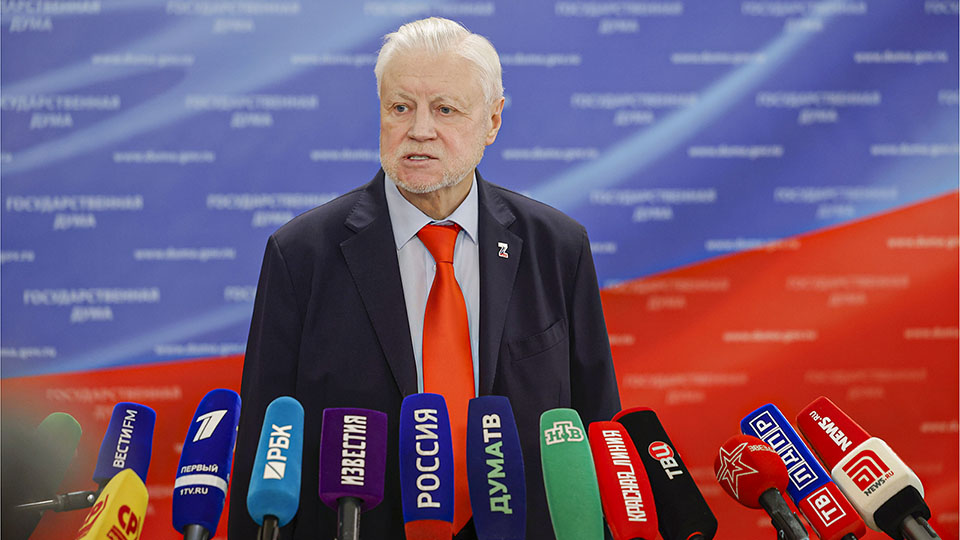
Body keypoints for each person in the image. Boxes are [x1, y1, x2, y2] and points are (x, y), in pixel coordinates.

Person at [227, 17, 620, 540]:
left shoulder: (558, 248)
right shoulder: (301, 256)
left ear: (493, 121)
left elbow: (600, 435)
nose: (419, 130)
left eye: (445, 109)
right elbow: (263, 454)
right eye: (400, 108)